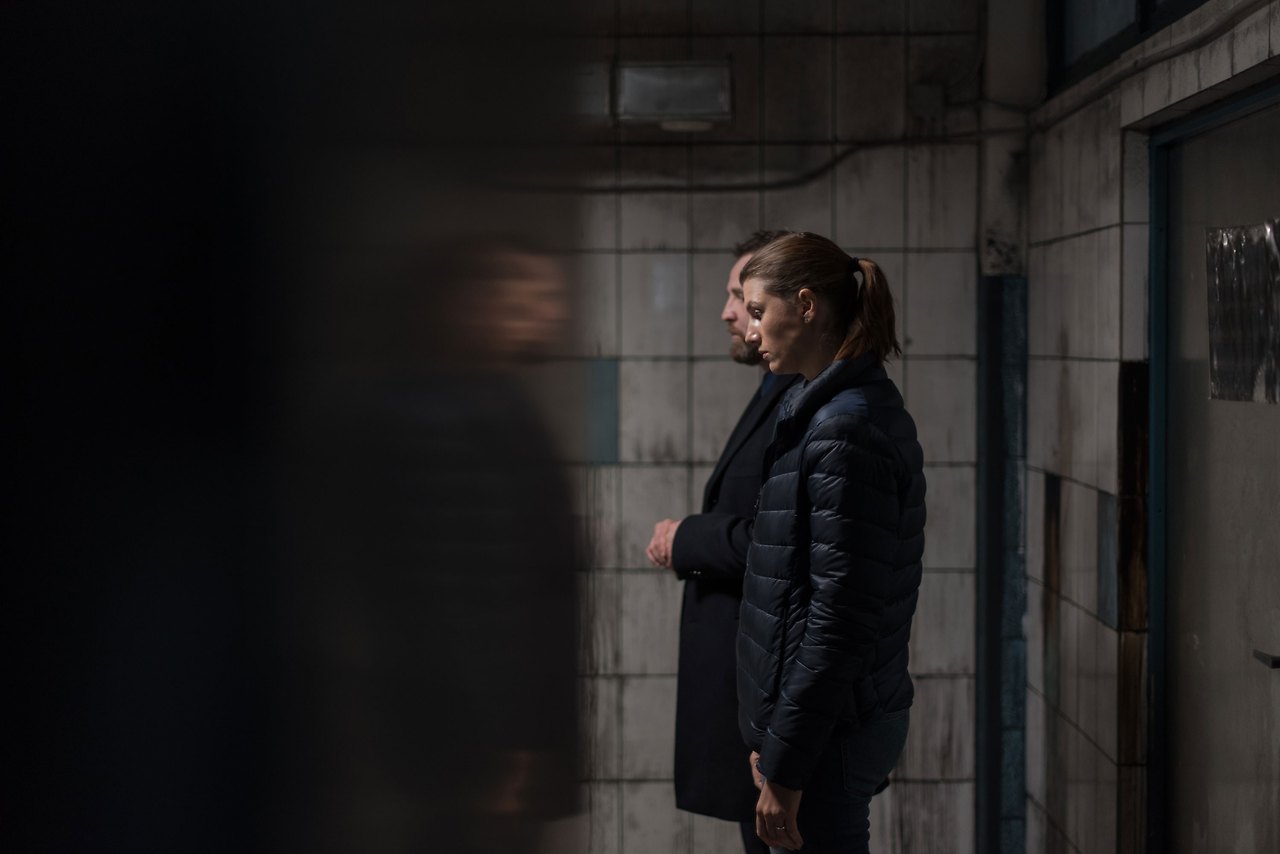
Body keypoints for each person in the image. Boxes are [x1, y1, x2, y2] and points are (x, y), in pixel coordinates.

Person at [735, 233, 925, 853]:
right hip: (818, 727)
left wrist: (787, 763)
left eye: (758, 311)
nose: (751, 332)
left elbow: (840, 619)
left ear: (807, 305)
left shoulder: (846, 428)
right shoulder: (821, 410)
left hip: (829, 735)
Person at [645, 230, 797, 854]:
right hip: (763, 704)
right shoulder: (777, 389)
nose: (729, 313)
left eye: (743, 298)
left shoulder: (805, 401)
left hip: (782, 710)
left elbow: (788, 542)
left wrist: (688, 536)